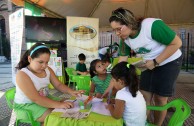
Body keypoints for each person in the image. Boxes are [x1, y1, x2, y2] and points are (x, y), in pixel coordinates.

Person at [107, 7, 183, 125]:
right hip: (149, 63)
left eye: (119, 29)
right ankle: (143, 123)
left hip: (169, 61)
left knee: (160, 99)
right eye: (114, 30)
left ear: (129, 22)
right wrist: (112, 83)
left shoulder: (151, 25)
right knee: (143, 96)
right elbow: (122, 61)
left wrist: (156, 61)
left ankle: (157, 124)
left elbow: (177, 43)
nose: (117, 33)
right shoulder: (125, 38)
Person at [14, 43, 84, 125]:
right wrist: (59, 105)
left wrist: (71, 91)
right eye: (40, 62)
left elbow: (58, 85)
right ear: (30, 59)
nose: (44, 66)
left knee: (68, 103)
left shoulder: (48, 70)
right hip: (27, 106)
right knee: (58, 115)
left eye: (47, 62)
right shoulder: (22, 75)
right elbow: (36, 99)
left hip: (43, 98)